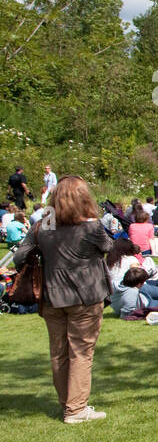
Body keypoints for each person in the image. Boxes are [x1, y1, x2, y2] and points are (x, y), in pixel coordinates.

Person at [12, 176, 112, 423]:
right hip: (85, 296)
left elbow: (19, 258)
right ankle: (76, 409)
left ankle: (68, 403)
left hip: (52, 296)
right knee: (80, 351)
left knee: (59, 352)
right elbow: (108, 245)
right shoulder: (91, 227)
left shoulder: (43, 226)